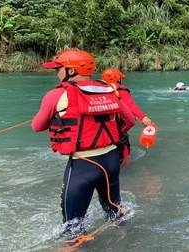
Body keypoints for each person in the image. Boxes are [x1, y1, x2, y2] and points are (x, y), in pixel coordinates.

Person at [31, 49, 135, 238]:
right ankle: (126, 241)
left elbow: (37, 126)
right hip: (111, 160)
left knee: (72, 225)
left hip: (83, 165)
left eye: (59, 68)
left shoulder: (56, 95)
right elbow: (130, 121)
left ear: (70, 71)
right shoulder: (109, 90)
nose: (57, 73)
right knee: (115, 211)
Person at [101, 68, 153, 166]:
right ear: (118, 79)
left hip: (101, 133)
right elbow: (131, 105)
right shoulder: (120, 90)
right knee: (125, 162)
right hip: (118, 133)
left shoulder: (98, 91)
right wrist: (143, 118)